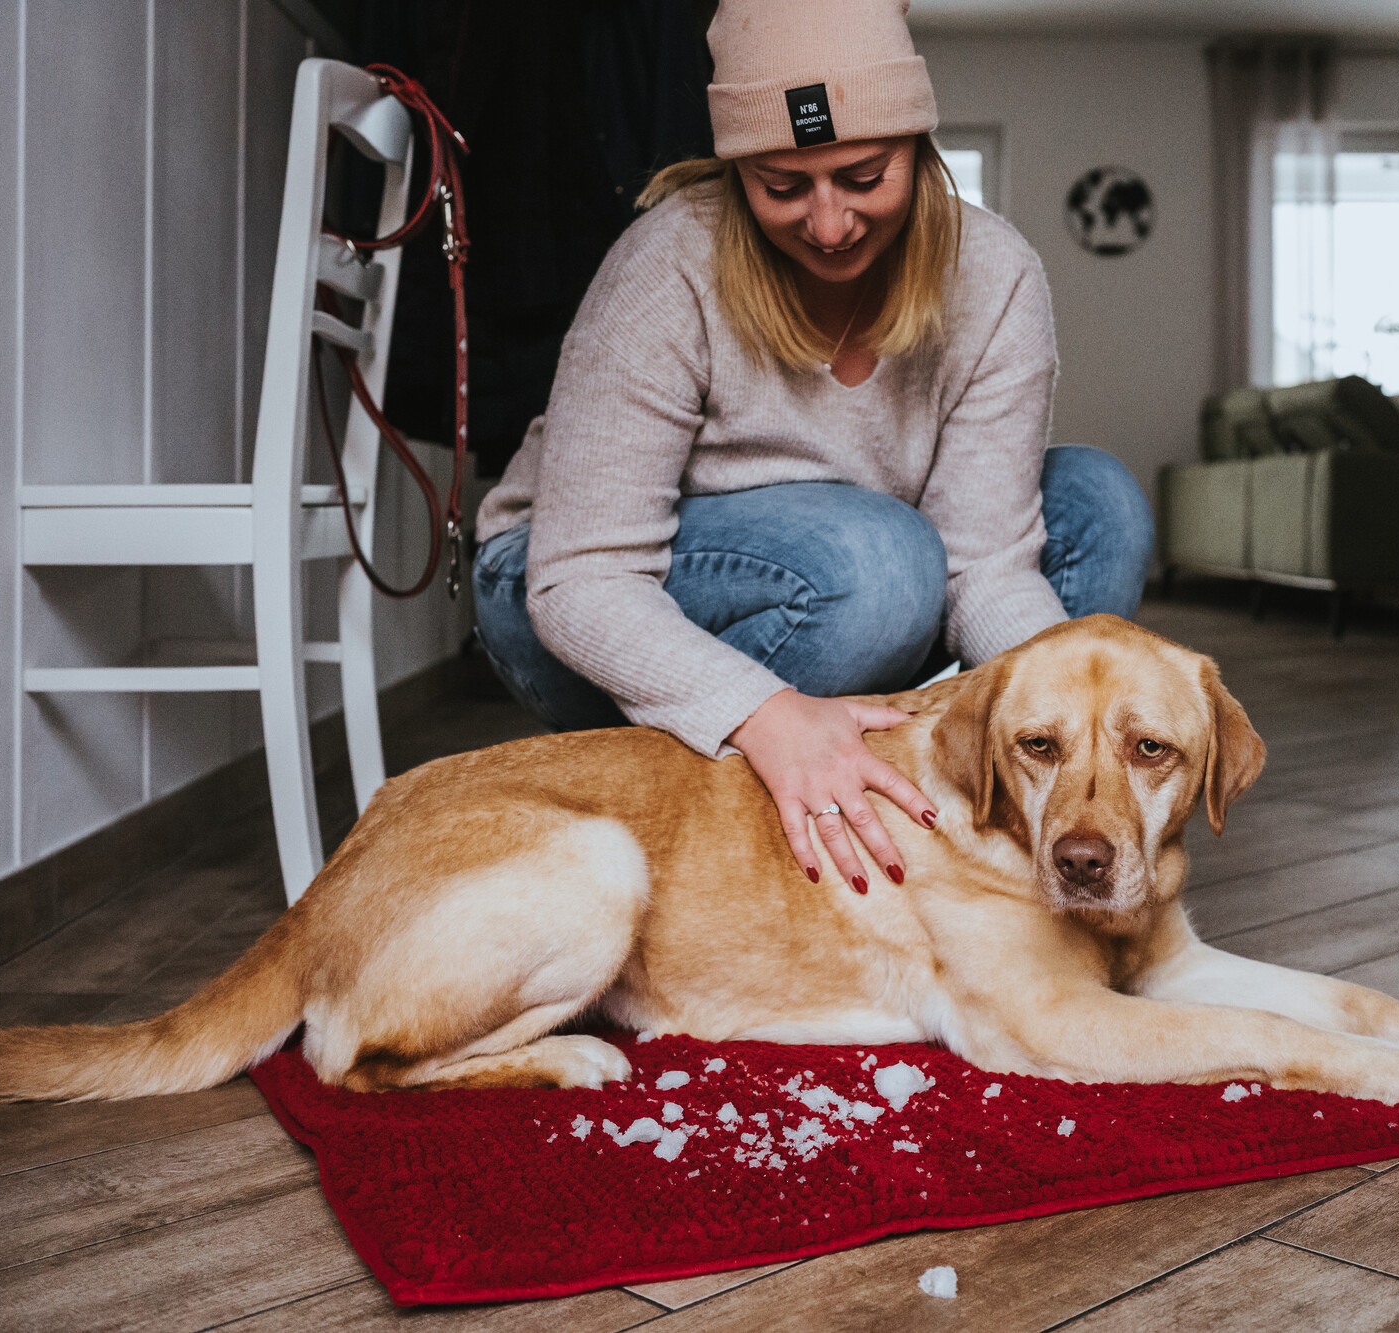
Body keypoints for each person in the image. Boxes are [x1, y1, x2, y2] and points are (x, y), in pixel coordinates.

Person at [472, 0, 1156, 896]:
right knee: (878, 565)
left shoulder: (996, 276)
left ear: (917, 146)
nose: (829, 225)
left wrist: (1093, 745)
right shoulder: (666, 265)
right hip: (564, 588)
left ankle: (1020, 840)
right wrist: (760, 710)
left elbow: (986, 564)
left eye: (864, 176)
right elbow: (581, 577)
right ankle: (760, 838)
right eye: (783, 187)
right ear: (736, 171)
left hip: (852, 576)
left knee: (1097, 504)